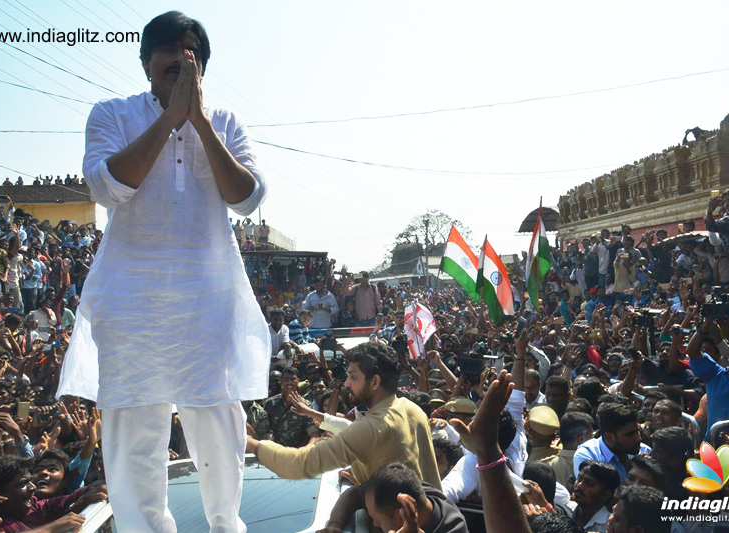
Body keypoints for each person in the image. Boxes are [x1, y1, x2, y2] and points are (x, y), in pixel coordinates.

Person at [56, 11, 271, 533]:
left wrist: (196, 121)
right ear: (146, 64)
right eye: (169, 59)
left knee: (220, 425)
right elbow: (108, 188)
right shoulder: (111, 114)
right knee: (133, 434)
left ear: (203, 68)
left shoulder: (224, 121)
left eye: (190, 60)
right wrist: (169, 120)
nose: (180, 67)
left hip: (208, 298)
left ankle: (226, 527)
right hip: (132, 302)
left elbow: (248, 198)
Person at [246, 342, 441, 488]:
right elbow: (353, 430)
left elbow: (298, 464)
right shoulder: (410, 408)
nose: (347, 383)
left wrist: (248, 442)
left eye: (353, 377)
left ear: (374, 382)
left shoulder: (371, 427)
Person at [363, 463, 469, 533]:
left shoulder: (455, 529)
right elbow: (353, 493)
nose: (374, 523)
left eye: (378, 520)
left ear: (401, 515)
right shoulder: (415, 490)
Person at [573, 404, 650, 483]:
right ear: (609, 437)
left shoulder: (645, 450)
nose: (638, 439)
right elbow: (594, 492)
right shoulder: (588, 455)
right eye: (629, 434)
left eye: (637, 432)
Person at [572, 460, 619, 532]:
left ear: (606, 494)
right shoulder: (565, 511)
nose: (579, 486)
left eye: (589, 484)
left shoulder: (610, 526)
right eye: (579, 479)